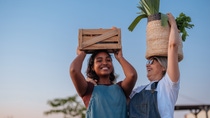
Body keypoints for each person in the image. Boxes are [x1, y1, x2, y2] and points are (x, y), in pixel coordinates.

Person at [128, 13, 181, 118]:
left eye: (152, 62)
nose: (147, 65)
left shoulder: (168, 86)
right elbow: (118, 98)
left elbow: (173, 46)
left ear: (163, 66)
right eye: (148, 62)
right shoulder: (138, 90)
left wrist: (173, 24)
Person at [69, 48, 137, 118]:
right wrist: (82, 53)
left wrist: (120, 57)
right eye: (99, 60)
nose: (105, 63)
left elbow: (132, 75)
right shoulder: (88, 89)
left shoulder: (121, 88)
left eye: (108, 60)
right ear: (92, 67)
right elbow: (74, 70)